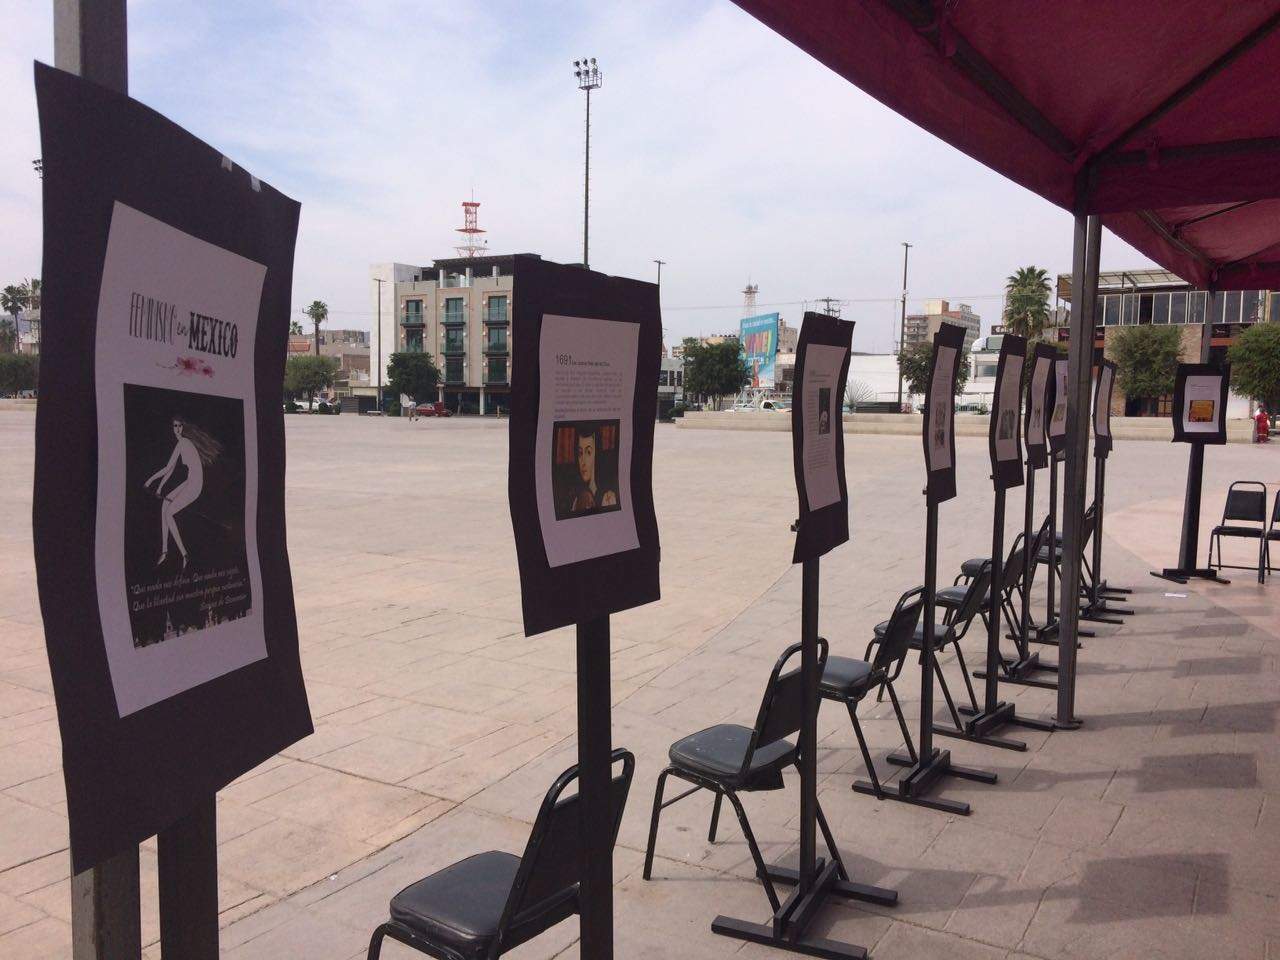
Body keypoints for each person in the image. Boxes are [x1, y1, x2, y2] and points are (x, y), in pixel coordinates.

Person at [144, 416, 222, 569]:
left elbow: (167, 468)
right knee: (164, 505)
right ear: (172, 428)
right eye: (175, 426)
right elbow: (170, 469)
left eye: (180, 425)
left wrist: (149, 481)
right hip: (190, 482)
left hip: (194, 485)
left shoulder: (183, 443)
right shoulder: (182, 443)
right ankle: (165, 551)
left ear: (183, 427)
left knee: (168, 513)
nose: (178, 428)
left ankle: (185, 555)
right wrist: (159, 488)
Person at [568, 426, 618, 514]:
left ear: (596, 453)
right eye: (580, 453)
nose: (583, 462)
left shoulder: (608, 499)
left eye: (588, 452)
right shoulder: (576, 500)